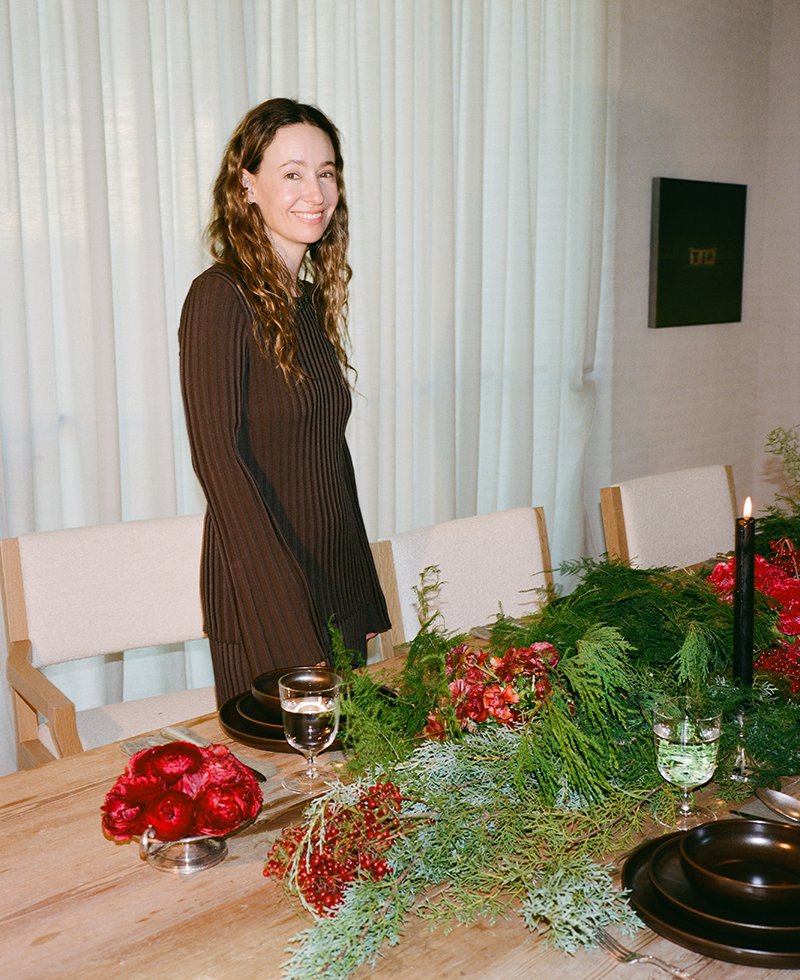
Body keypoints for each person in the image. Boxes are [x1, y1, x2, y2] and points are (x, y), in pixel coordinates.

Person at [179, 98, 390, 706]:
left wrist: (362, 593)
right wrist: (288, 626)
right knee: (286, 769)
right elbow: (221, 464)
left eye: (326, 172)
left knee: (352, 764)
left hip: (334, 583)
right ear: (247, 184)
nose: (315, 192)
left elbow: (328, 459)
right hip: (265, 601)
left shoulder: (305, 300)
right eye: (292, 173)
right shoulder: (219, 297)